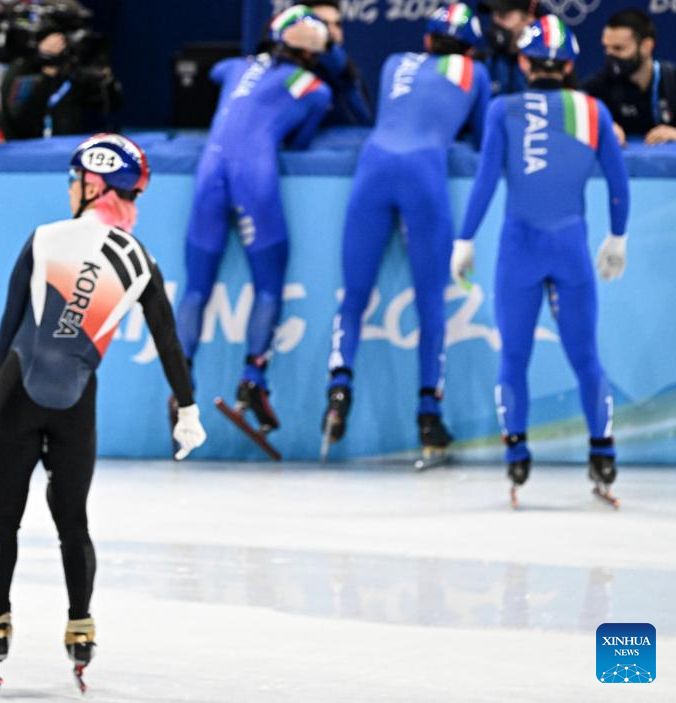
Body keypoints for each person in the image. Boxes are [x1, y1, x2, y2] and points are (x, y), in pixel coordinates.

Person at [0, 133, 206, 692]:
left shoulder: (45, 237)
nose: (69, 188)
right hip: (76, 404)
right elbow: (169, 341)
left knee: (3, 519)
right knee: (73, 522)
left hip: (16, 395)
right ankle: (80, 629)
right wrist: (188, 406)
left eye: (74, 180)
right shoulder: (139, 260)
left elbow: (11, 318)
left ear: (93, 185)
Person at [451, 15, 629, 507]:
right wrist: (618, 236)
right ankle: (603, 451)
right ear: (570, 66)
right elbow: (618, 183)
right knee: (586, 357)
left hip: (520, 252)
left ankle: (517, 454)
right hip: (571, 250)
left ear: (524, 63)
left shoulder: (503, 110)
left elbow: (486, 181)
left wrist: (464, 238)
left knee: (514, 357)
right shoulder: (592, 110)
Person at [322, 4, 490, 462]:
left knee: (354, 296)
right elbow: (481, 137)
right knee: (430, 301)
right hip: (424, 174)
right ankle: (429, 414)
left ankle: (338, 388)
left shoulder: (395, 61)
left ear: (428, 40)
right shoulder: (474, 72)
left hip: (373, 167)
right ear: (470, 48)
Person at [174, 5, 331, 448]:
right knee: (267, 288)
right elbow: (300, 140)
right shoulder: (314, 87)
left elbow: (215, 73)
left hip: (209, 173)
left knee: (196, 289)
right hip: (255, 178)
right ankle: (253, 378)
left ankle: (180, 384)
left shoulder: (235, 67)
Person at [582, 9, 676, 147]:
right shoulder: (597, 87)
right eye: (606, 48)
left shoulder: (671, 79)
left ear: (646, 46)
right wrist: (601, 130)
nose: (610, 55)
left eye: (618, 48)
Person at [292, 0, 372, 125]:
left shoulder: (348, 74)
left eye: (337, 24)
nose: (333, 32)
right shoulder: (286, 73)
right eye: (323, 24)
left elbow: (365, 123)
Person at [477, 0, 538, 96]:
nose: (495, 21)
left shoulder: (543, 67)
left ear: (529, 18)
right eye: (493, 13)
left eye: (503, 15)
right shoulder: (482, 60)